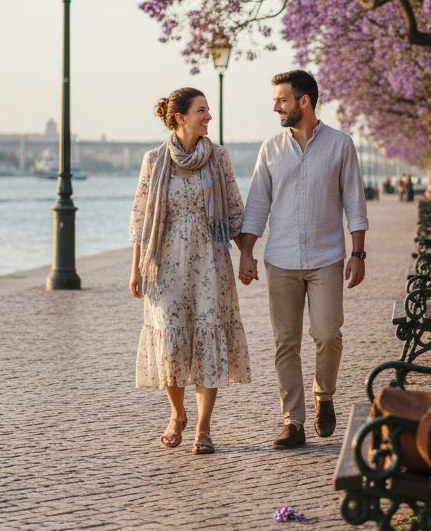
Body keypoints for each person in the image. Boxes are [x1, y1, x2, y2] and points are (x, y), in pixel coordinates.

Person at [236, 70, 369, 448]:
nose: (275, 107)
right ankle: (292, 421)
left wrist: (358, 253)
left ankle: (323, 394)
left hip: (327, 258)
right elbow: (257, 204)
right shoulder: (271, 148)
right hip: (280, 260)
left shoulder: (341, 145)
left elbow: (354, 202)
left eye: (281, 100)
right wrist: (246, 252)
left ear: (304, 101)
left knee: (328, 334)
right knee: (286, 343)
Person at [129, 87, 250, 455]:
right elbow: (140, 219)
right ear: (180, 117)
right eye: (201, 111)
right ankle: (177, 414)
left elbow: (235, 211)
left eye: (208, 110)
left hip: (210, 263)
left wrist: (246, 255)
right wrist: (136, 270)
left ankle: (203, 427)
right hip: (163, 265)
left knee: (208, 338)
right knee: (170, 341)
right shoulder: (154, 160)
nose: (208, 117)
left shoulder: (220, 158)